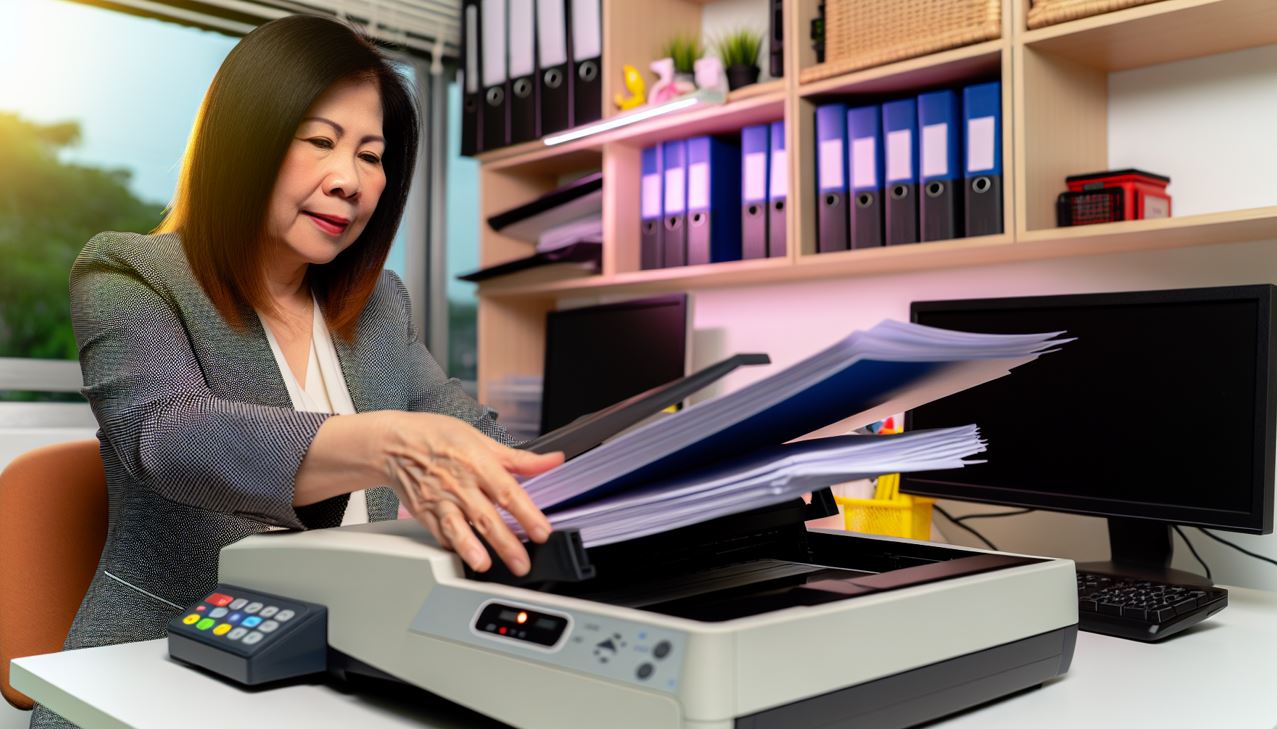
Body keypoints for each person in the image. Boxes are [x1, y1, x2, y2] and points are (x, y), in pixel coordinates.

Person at [31, 14, 562, 729]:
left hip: (334, 672)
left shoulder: (378, 306)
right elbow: (167, 434)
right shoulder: (130, 272)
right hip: (159, 671)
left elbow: (456, 420)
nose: (349, 180)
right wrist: (379, 443)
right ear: (245, 139)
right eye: (320, 141)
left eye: (371, 156)